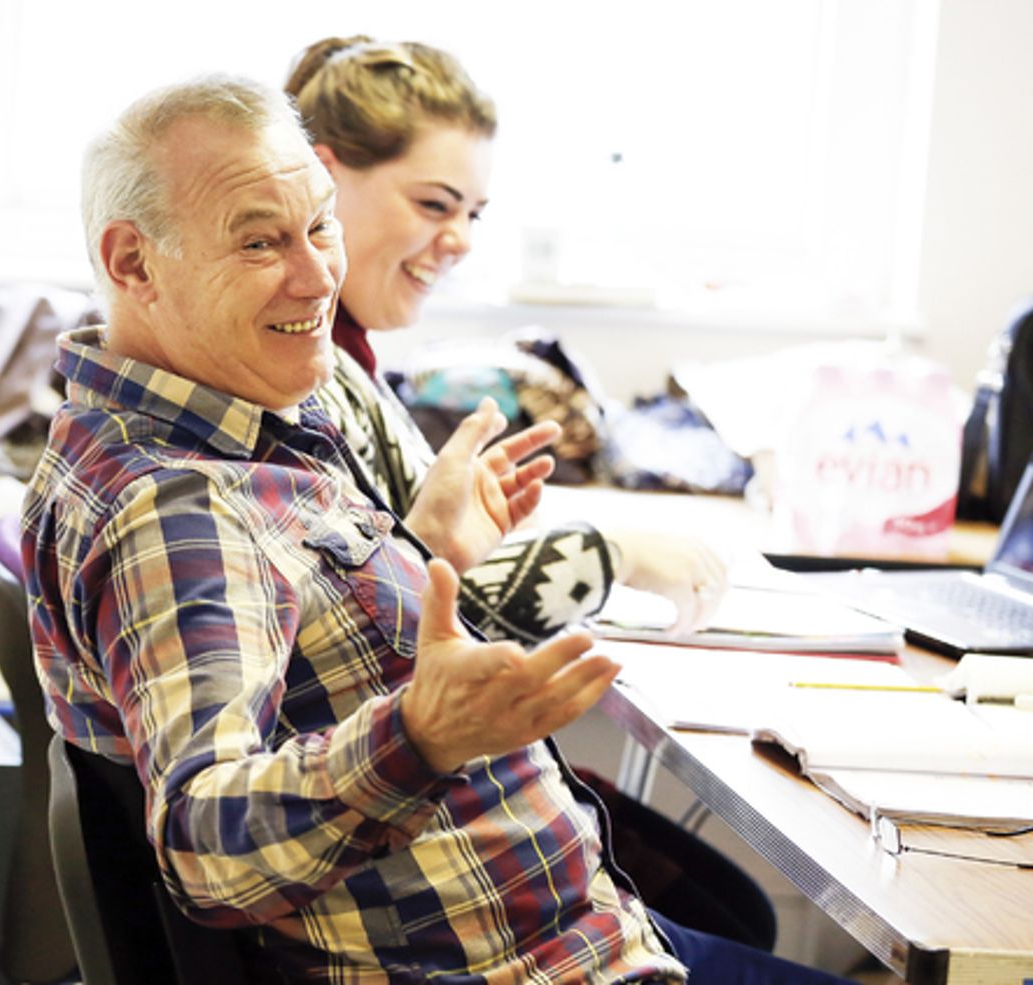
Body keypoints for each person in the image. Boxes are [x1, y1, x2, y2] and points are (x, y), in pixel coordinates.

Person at [25, 73, 853, 984]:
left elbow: (315, 648)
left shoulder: (238, 415)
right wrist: (420, 735)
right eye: (260, 241)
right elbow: (209, 849)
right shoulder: (177, 505)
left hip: (571, 943)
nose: (315, 275)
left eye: (319, 226)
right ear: (133, 263)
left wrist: (426, 555)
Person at [285, 36, 773, 950]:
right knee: (731, 913)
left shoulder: (348, 365)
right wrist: (610, 551)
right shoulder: (304, 381)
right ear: (322, 178)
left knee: (732, 908)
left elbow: (395, 598)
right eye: (434, 203)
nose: (460, 239)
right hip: (435, 879)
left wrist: (439, 540)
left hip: (447, 841)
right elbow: (411, 649)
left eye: (473, 211)